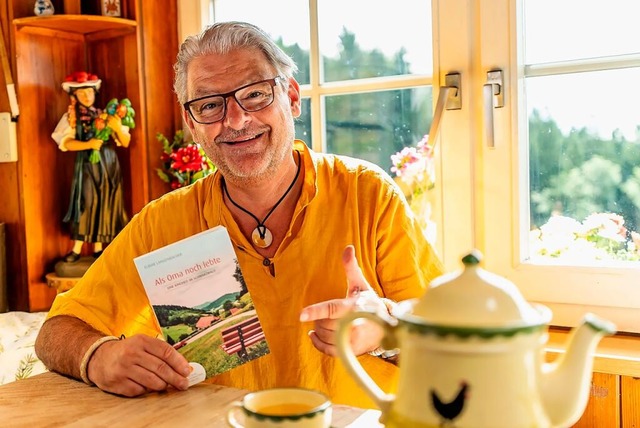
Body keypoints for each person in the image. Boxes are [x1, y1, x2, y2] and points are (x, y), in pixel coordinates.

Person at [35, 21, 443, 408]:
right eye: (210, 105)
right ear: (192, 125)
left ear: (293, 97)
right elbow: (56, 330)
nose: (235, 119)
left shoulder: (368, 195)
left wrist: (386, 325)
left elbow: (449, 329)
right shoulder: (162, 223)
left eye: (255, 94)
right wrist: (98, 356)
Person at [51, 72, 130, 263]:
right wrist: (89, 144)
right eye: (82, 93)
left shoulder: (105, 115)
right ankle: (77, 248)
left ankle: (98, 248)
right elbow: (66, 142)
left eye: (89, 92)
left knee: (104, 203)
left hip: (108, 165)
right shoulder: (72, 118)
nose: (87, 97)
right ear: (74, 96)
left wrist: (117, 128)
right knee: (85, 202)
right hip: (87, 165)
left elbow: (125, 141)